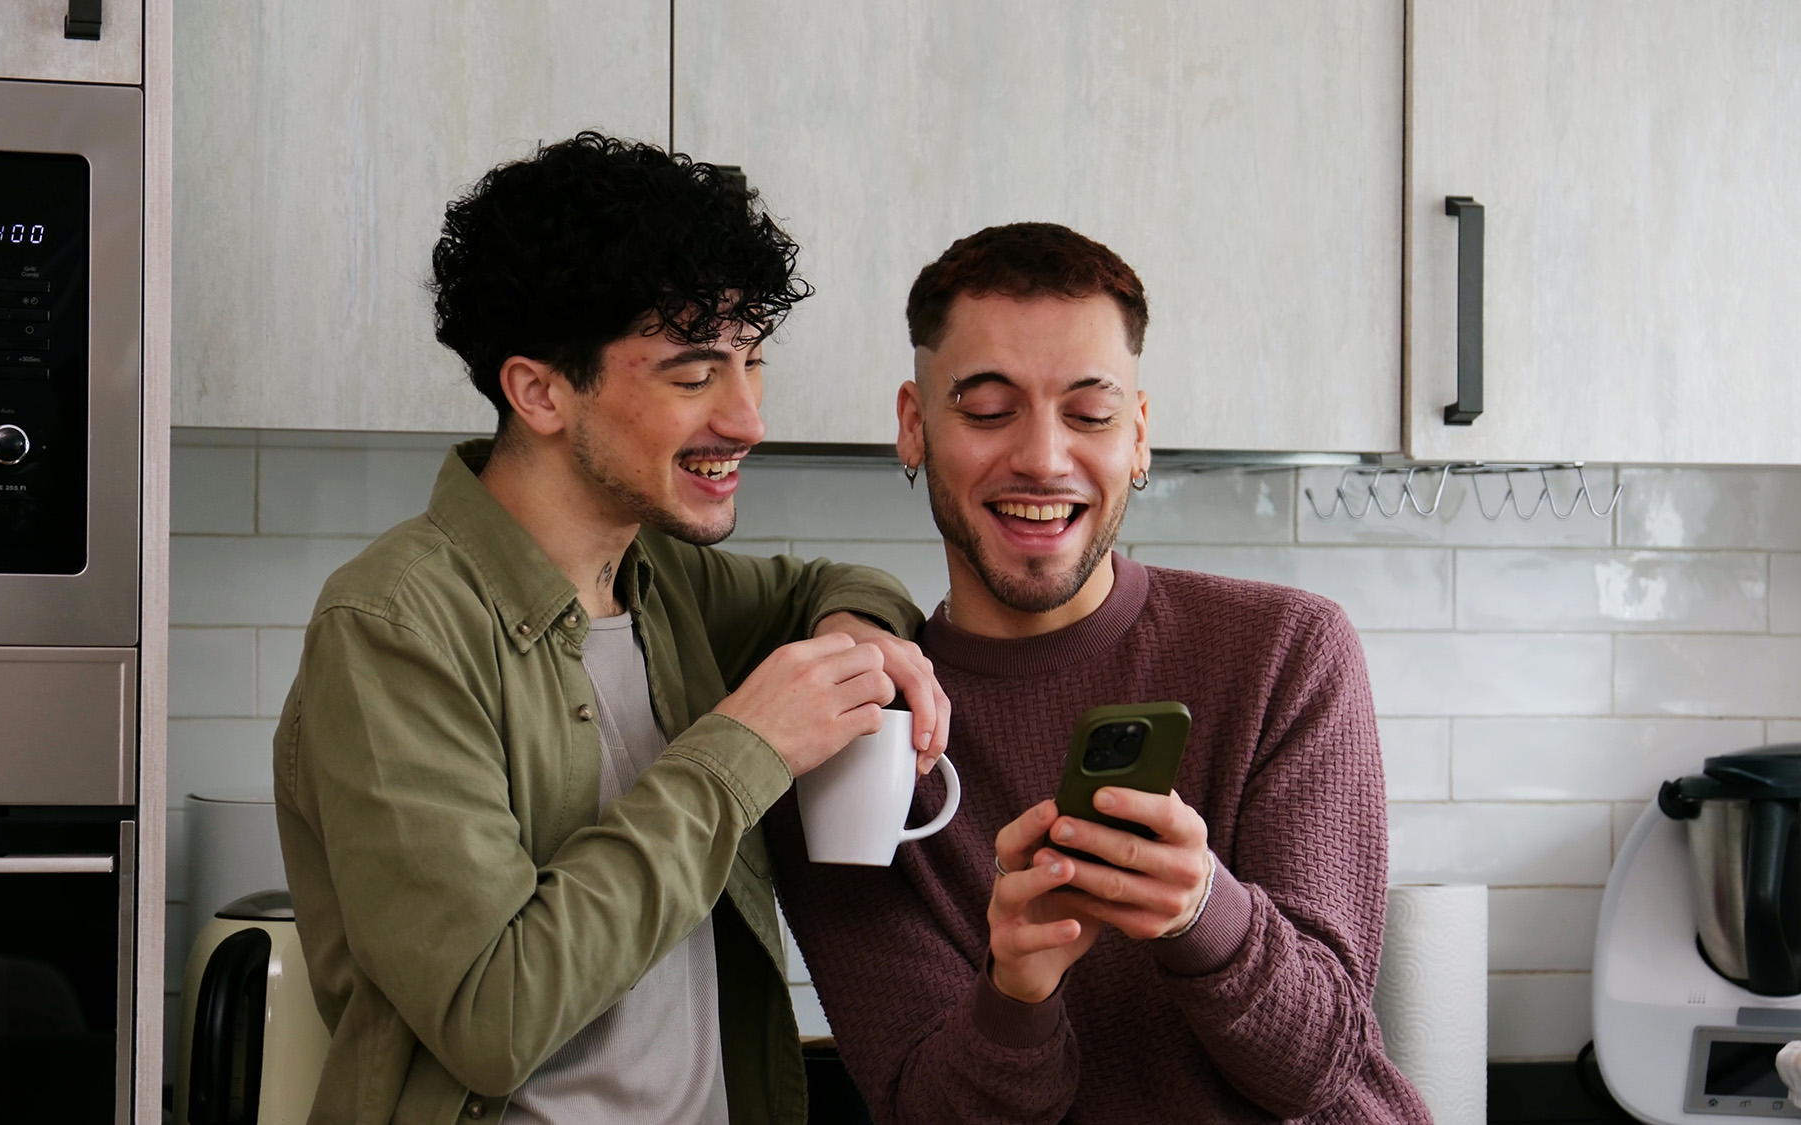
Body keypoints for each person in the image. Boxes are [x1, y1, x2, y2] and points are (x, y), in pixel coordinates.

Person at [272, 133, 949, 1125]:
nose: (749, 417)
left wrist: (854, 629)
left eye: (752, 363)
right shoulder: (392, 627)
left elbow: (832, 583)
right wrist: (743, 752)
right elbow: (488, 1014)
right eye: (693, 375)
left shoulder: (662, 582)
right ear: (539, 390)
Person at [766, 222, 1432, 1123]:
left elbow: (1316, 1069)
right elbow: (928, 1108)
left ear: (1140, 436)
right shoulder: (850, 739)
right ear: (914, 427)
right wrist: (1017, 992)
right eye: (988, 407)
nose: (1044, 456)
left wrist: (1206, 912)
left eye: (1089, 412)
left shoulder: (1288, 652)